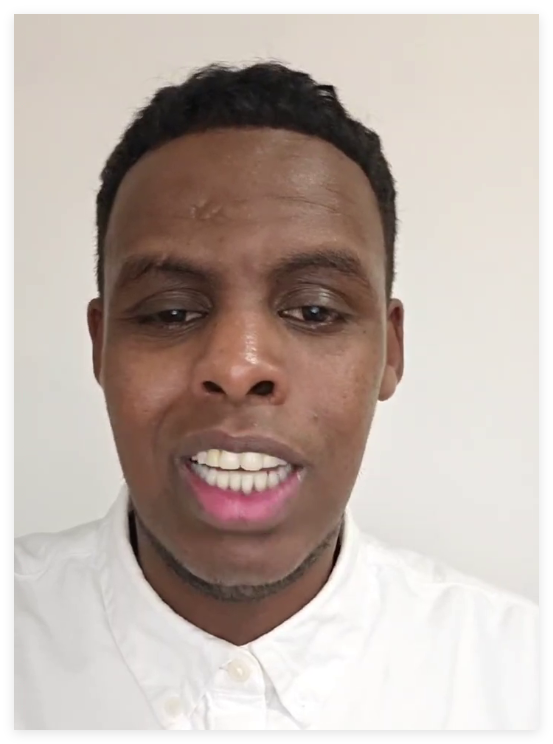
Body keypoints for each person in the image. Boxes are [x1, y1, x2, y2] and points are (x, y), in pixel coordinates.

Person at [14, 62, 538, 731]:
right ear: (100, 346)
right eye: (171, 312)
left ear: (390, 350)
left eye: (315, 310)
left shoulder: (516, 678)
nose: (239, 367)